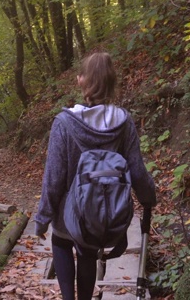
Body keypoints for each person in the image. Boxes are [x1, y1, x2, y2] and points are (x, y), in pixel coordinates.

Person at [34, 51, 157, 300]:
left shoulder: (64, 123)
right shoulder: (123, 122)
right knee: (87, 250)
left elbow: (54, 178)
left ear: (81, 81)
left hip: (67, 211)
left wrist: (43, 216)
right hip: (101, 211)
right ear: (112, 83)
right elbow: (136, 169)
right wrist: (148, 197)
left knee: (60, 242)